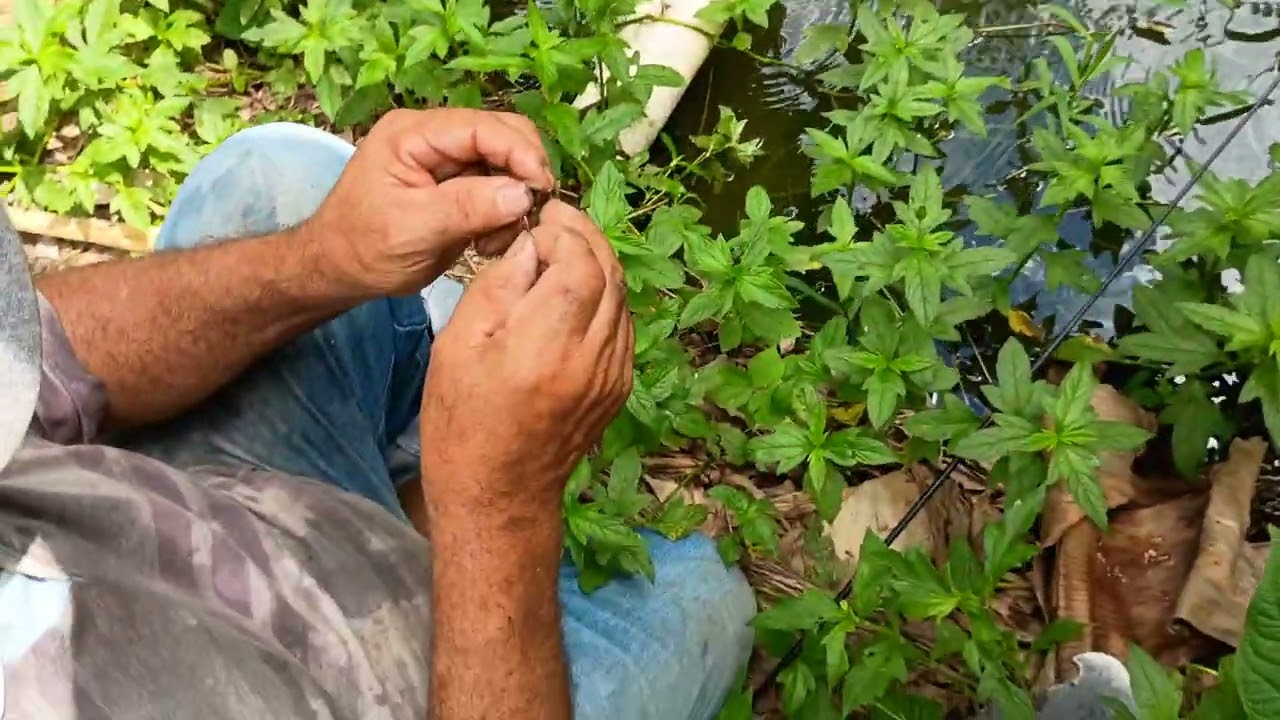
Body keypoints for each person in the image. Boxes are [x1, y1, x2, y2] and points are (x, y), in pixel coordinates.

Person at [0, 108, 756, 720]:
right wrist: (499, 512)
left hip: (199, 514)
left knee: (276, 175)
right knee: (703, 593)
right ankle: (447, 501)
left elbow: (37, 358)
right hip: (377, 686)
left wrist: (322, 258)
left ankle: (410, 484)